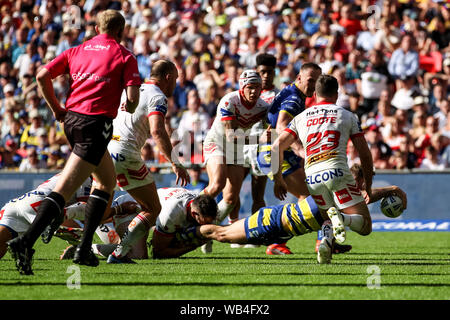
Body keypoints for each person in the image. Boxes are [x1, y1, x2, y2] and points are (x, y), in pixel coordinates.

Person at [7, 10, 141, 275]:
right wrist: (129, 102)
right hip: (95, 124)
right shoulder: (125, 55)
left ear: (97, 27)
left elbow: (42, 76)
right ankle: (25, 242)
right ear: (121, 30)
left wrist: (57, 109)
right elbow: (134, 99)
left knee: (105, 182)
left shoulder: (76, 50)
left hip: (72, 121)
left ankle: (84, 248)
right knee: (65, 188)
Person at [182, 163, 407, 265]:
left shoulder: (346, 196)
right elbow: (364, 200)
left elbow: (365, 198)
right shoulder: (339, 192)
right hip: (272, 222)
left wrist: (393, 190)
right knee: (221, 234)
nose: (366, 186)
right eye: (363, 181)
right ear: (355, 180)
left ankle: (187, 234)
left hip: (280, 230)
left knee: (222, 233)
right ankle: (183, 232)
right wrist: (392, 190)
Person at [272, 74, 374, 264]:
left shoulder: (300, 118)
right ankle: (342, 218)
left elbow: (277, 146)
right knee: (365, 225)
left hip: (312, 177)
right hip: (337, 172)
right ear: (336, 93)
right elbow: (365, 154)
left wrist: (278, 179)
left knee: (328, 215)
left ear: (316, 94)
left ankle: (326, 241)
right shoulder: (347, 115)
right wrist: (367, 184)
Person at [106, 59, 190, 264]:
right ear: (168, 77)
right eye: (175, 80)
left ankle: (58, 225)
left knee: (99, 210)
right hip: (126, 154)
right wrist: (175, 163)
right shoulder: (158, 96)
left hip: (106, 149)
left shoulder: (131, 90)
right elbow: (157, 130)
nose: (175, 85)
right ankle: (119, 253)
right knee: (153, 208)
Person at [200, 69, 270, 254]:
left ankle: (207, 231)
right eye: (250, 87)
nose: (254, 92)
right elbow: (231, 137)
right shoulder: (229, 101)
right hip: (218, 143)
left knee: (230, 199)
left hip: (237, 150)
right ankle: (189, 218)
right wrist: (259, 139)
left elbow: (271, 130)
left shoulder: (263, 107)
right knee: (216, 185)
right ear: (242, 87)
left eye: (257, 88)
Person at [255, 62, 322, 255]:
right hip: (274, 153)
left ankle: (322, 238)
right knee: (311, 197)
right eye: (310, 80)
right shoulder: (294, 98)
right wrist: (301, 149)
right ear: (299, 78)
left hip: (278, 152)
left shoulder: (293, 93)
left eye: (317, 82)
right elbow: (282, 127)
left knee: (311, 197)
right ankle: (278, 241)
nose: (313, 86)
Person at [0, 174, 137, 260]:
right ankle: (78, 242)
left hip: (15, 205)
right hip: (42, 206)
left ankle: (72, 237)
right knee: (92, 224)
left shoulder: (76, 170)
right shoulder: (89, 176)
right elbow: (91, 211)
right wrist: (119, 209)